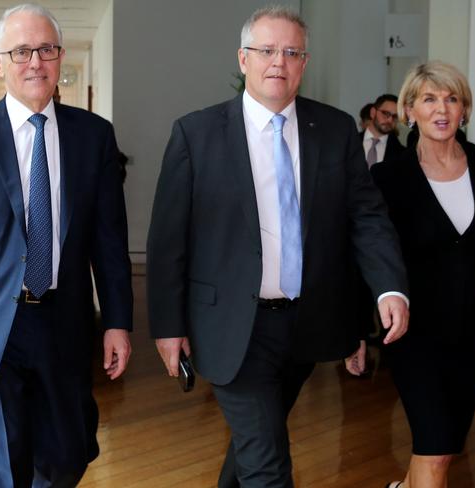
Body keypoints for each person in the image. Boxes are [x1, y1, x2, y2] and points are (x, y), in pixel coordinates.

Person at [147, 6, 409, 487]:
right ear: (243, 58)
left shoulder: (333, 132)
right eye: (266, 50)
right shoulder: (196, 133)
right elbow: (167, 242)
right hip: (229, 326)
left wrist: (389, 289)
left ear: (304, 64)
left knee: (254, 444)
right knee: (268, 466)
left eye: (291, 52)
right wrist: (168, 326)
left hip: (305, 327)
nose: (278, 62)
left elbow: (366, 218)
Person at [0, 4, 133, 487]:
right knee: (7, 460)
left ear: (60, 57)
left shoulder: (93, 137)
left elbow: (110, 241)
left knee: (67, 456)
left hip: (66, 322)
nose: (35, 61)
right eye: (21, 51)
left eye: (47, 49)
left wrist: (117, 322)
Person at [371, 61, 475, 488]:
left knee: (442, 444)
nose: (442, 109)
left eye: (452, 98)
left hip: (470, 329)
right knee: (437, 449)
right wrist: (355, 332)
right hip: (412, 332)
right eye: (429, 99)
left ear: (465, 111)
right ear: (410, 111)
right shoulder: (388, 177)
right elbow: (370, 254)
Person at [360, 94, 405, 168]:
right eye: (386, 113)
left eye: (395, 116)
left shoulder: (402, 154)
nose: (390, 120)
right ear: (373, 112)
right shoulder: (351, 142)